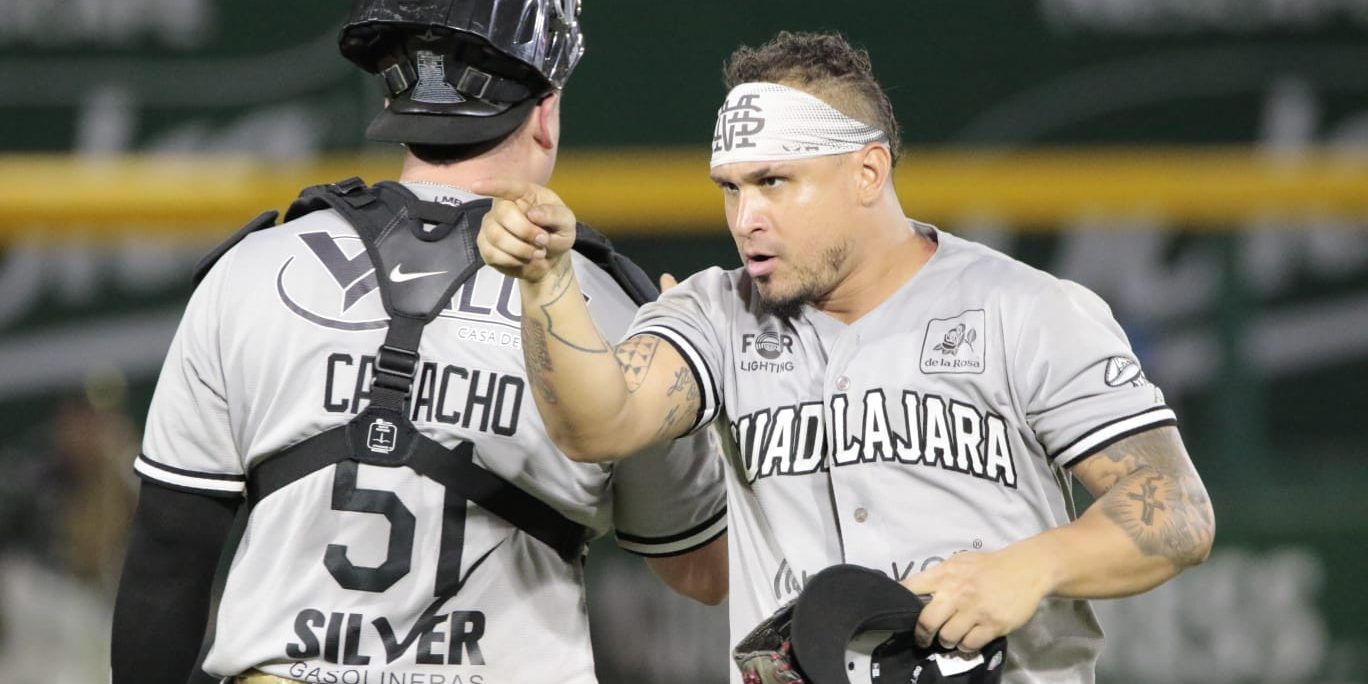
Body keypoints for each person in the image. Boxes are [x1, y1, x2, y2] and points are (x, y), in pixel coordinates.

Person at [476, 30, 1216, 684]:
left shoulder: (1026, 310)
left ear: (867, 173)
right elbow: (597, 424)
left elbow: (1177, 512)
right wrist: (546, 283)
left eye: (774, 182)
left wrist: (1030, 567)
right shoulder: (717, 312)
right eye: (731, 189)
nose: (745, 218)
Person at [110, 2, 728, 682]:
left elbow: (166, 565)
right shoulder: (613, 311)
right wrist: (703, 379)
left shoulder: (250, 274)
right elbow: (701, 568)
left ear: (397, 95)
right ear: (545, 112)